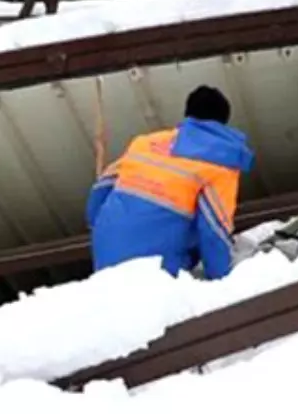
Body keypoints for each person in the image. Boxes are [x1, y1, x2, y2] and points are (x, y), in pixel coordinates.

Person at [88, 85, 254, 281]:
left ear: (187, 115)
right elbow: (213, 230)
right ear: (224, 122)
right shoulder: (220, 163)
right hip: (153, 270)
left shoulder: (146, 143)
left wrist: (103, 231)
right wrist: (222, 280)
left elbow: (99, 191)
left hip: (104, 256)